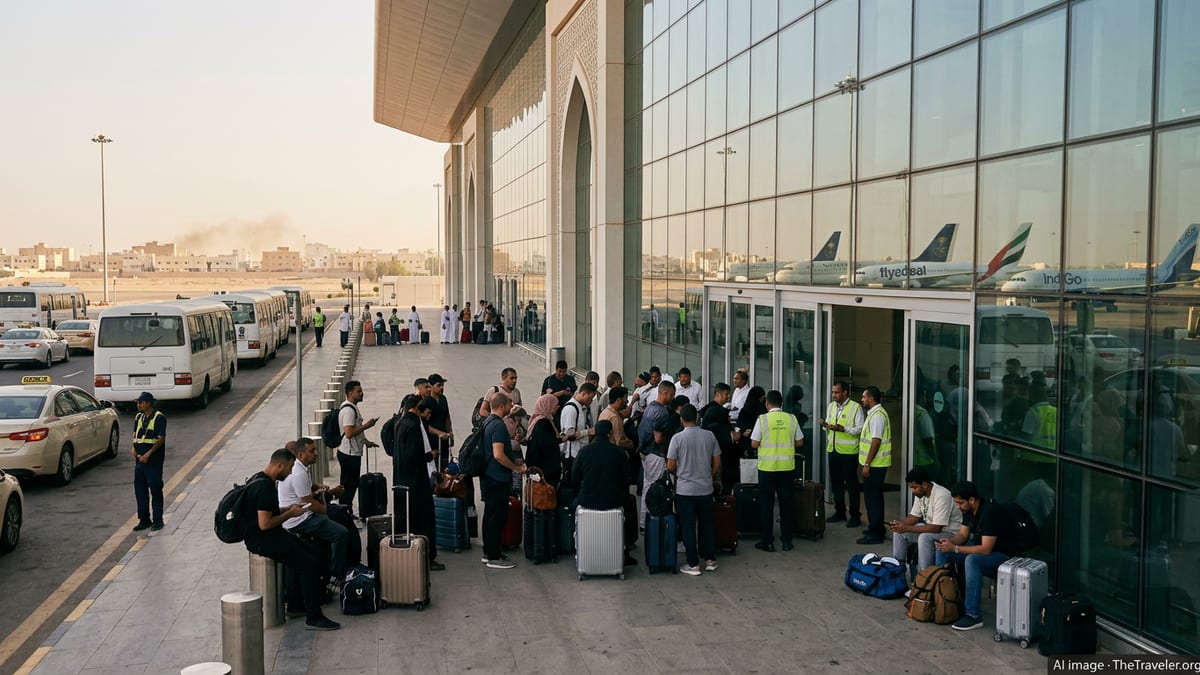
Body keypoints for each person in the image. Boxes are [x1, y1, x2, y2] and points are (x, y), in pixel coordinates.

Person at [242, 449, 340, 631]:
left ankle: (296, 603)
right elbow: (264, 524)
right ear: (279, 465)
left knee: (310, 551)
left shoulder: (260, 479)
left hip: (271, 535)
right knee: (308, 562)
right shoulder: (265, 487)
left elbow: (267, 511)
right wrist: (290, 514)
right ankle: (313, 616)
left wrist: (288, 507)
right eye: (288, 468)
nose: (289, 473)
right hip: (263, 540)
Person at [934, 481, 1020, 631]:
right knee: (943, 552)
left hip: (1004, 557)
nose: (958, 507)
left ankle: (973, 615)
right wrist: (948, 543)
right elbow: (963, 535)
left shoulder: (989, 512)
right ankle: (945, 601)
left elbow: (985, 549)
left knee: (972, 560)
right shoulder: (968, 511)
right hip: (985, 552)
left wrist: (955, 548)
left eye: (960, 503)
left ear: (972, 500)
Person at [279, 439, 351, 581]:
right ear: (300, 454)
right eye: (311, 451)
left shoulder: (301, 468)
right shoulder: (298, 473)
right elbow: (309, 503)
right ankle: (337, 574)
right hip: (299, 520)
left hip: (304, 514)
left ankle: (331, 567)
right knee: (341, 533)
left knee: (335, 519)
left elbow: (306, 494)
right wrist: (325, 509)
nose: (316, 453)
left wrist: (319, 490)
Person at [571, 420, 637, 566]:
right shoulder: (619, 452)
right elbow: (627, 479)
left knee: (572, 505)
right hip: (613, 500)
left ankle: (576, 546)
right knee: (631, 502)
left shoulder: (584, 451)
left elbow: (574, 478)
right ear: (609, 433)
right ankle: (626, 550)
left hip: (587, 500)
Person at [394, 395, 446, 571]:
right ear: (416, 408)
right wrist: (429, 455)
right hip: (417, 481)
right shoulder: (414, 425)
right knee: (424, 520)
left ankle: (404, 554)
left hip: (401, 480)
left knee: (406, 518)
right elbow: (413, 455)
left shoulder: (400, 423)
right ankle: (427, 558)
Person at [667, 404, 720, 575]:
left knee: (688, 526)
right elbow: (717, 461)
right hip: (705, 488)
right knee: (707, 524)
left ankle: (693, 564)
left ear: (681, 419)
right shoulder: (709, 435)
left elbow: (670, 465)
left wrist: (679, 474)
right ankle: (710, 560)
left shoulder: (677, 438)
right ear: (697, 418)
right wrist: (709, 475)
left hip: (685, 490)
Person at [749, 390, 803, 552]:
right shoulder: (791, 418)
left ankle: (767, 541)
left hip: (767, 469)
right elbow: (799, 442)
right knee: (786, 505)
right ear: (782, 404)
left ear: (767, 404)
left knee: (766, 505)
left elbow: (753, 443)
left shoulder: (762, 420)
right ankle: (787, 541)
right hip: (786, 469)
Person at [889, 467, 962, 584]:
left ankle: (923, 580)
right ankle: (897, 571)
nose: (913, 491)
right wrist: (899, 525)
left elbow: (936, 528)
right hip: (933, 531)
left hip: (951, 534)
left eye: (914, 487)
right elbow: (913, 517)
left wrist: (906, 527)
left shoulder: (941, 495)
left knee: (924, 537)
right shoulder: (920, 495)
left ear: (924, 484)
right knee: (899, 532)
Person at [480, 392, 525, 568]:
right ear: (501, 406)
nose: (511, 406)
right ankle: (493, 556)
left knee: (490, 515)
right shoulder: (498, 426)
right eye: (509, 404)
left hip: (489, 476)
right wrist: (516, 468)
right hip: (497, 477)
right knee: (496, 516)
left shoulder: (488, 422)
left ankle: (490, 551)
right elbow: (498, 454)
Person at [820, 381, 865, 527]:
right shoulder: (831, 406)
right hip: (833, 449)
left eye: (837, 392)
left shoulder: (855, 407)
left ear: (845, 392)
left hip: (848, 453)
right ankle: (839, 511)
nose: (834, 395)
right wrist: (825, 426)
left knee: (851, 485)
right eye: (833, 392)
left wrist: (843, 429)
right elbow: (829, 423)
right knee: (836, 484)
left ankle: (855, 515)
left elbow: (859, 429)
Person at [637, 380, 676, 527]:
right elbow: (659, 438)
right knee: (656, 489)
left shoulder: (650, 407)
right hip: (655, 453)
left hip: (645, 452)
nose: (673, 397)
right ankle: (654, 522)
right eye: (671, 394)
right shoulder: (661, 412)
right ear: (664, 393)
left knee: (648, 487)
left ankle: (644, 522)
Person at [336, 380, 379, 513]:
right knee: (349, 485)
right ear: (350, 393)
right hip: (349, 454)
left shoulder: (352, 407)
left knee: (350, 484)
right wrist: (367, 425)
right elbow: (349, 433)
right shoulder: (349, 411)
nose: (362, 393)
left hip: (351, 452)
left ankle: (345, 510)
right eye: (358, 391)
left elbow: (355, 431)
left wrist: (366, 442)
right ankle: (345, 511)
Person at [857, 386, 891, 545]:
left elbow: (876, 441)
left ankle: (875, 532)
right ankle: (875, 528)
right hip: (875, 464)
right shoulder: (875, 414)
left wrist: (867, 464)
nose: (862, 399)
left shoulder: (877, 416)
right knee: (874, 498)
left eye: (864, 397)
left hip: (875, 465)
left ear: (871, 399)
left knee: (873, 499)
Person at [131, 392, 166, 532]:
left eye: (141, 402)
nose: (138, 405)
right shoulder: (138, 417)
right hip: (139, 460)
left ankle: (158, 519)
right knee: (140, 490)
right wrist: (133, 448)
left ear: (148, 403)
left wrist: (149, 454)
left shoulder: (159, 418)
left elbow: (161, 438)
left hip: (153, 461)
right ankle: (144, 519)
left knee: (155, 489)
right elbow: (134, 434)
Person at [702, 382, 738, 493]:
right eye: (726, 395)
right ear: (718, 395)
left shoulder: (707, 408)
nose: (728, 397)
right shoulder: (719, 411)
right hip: (720, 451)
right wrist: (731, 435)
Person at [560, 382, 597, 480]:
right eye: (590, 398)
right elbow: (569, 434)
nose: (591, 401)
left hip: (580, 451)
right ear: (583, 393)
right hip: (573, 454)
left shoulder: (581, 408)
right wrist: (588, 432)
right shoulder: (571, 409)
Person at [523, 394, 563, 486]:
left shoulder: (537, 420)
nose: (557, 407)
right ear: (548, 405)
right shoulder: (544, 423)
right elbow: (548, 446)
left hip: (538, 468)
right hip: (544, 471)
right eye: (554, 405)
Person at [425, 374, 454, 467]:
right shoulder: (427, 401)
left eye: (442, 385)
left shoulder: (443, 398)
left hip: (444, 438)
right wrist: (439, 433)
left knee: (444, 463)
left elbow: (447, 416)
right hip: (433, 438)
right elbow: (425, 424)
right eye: (439, 385)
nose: (442, 387)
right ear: (431, 386)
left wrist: (450, 431)